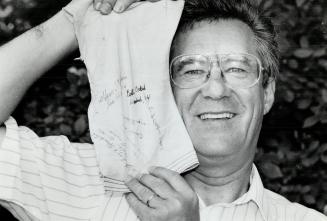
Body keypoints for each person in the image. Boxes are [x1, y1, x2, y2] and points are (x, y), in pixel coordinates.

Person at [0, 0, 326, 221]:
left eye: (238, 68)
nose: (215, 89)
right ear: (163, 89)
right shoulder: (83, 179)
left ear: (267, 92)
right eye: (191, 70)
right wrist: (80, 15)